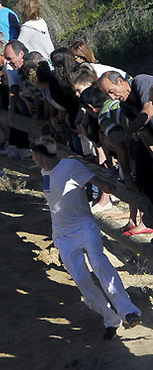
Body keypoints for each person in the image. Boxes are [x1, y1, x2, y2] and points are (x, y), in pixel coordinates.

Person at [29, 136, 142, 339]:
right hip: (62, 235)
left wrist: (106, 187)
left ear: (38, 155)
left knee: (99, 264)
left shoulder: (70, 166)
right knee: (82, 279)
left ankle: (128, 311)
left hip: (84, 227)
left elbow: (94, 179)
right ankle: (110, 319)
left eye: (33, 155)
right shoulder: (44, 172)